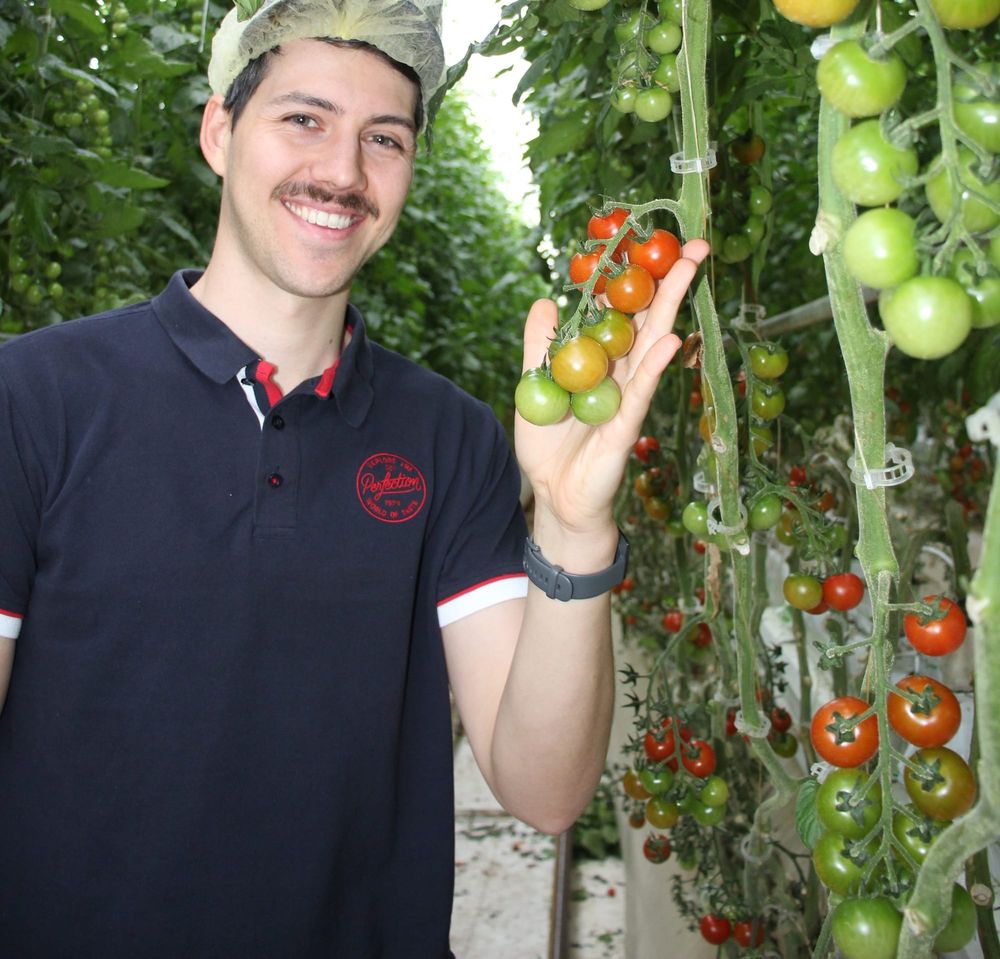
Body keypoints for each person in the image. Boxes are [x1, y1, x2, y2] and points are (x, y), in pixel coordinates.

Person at [0, 1, 708, 955]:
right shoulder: (33, 398)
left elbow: (545, 791)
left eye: (385, 138)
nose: (342, 172)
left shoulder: (449, 436)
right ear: (220, 130)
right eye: (304, 118)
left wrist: (577, 526)